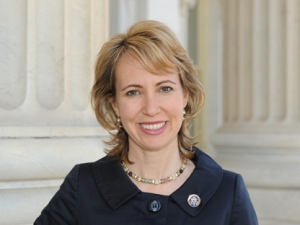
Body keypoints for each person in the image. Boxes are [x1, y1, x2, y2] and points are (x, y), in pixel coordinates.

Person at [34, 20, 258, 224]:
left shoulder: (227, 193)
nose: (151, 109)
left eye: (165, 88)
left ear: (186, 95)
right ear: (115, 104)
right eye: (133, 92)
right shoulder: (82, 187)